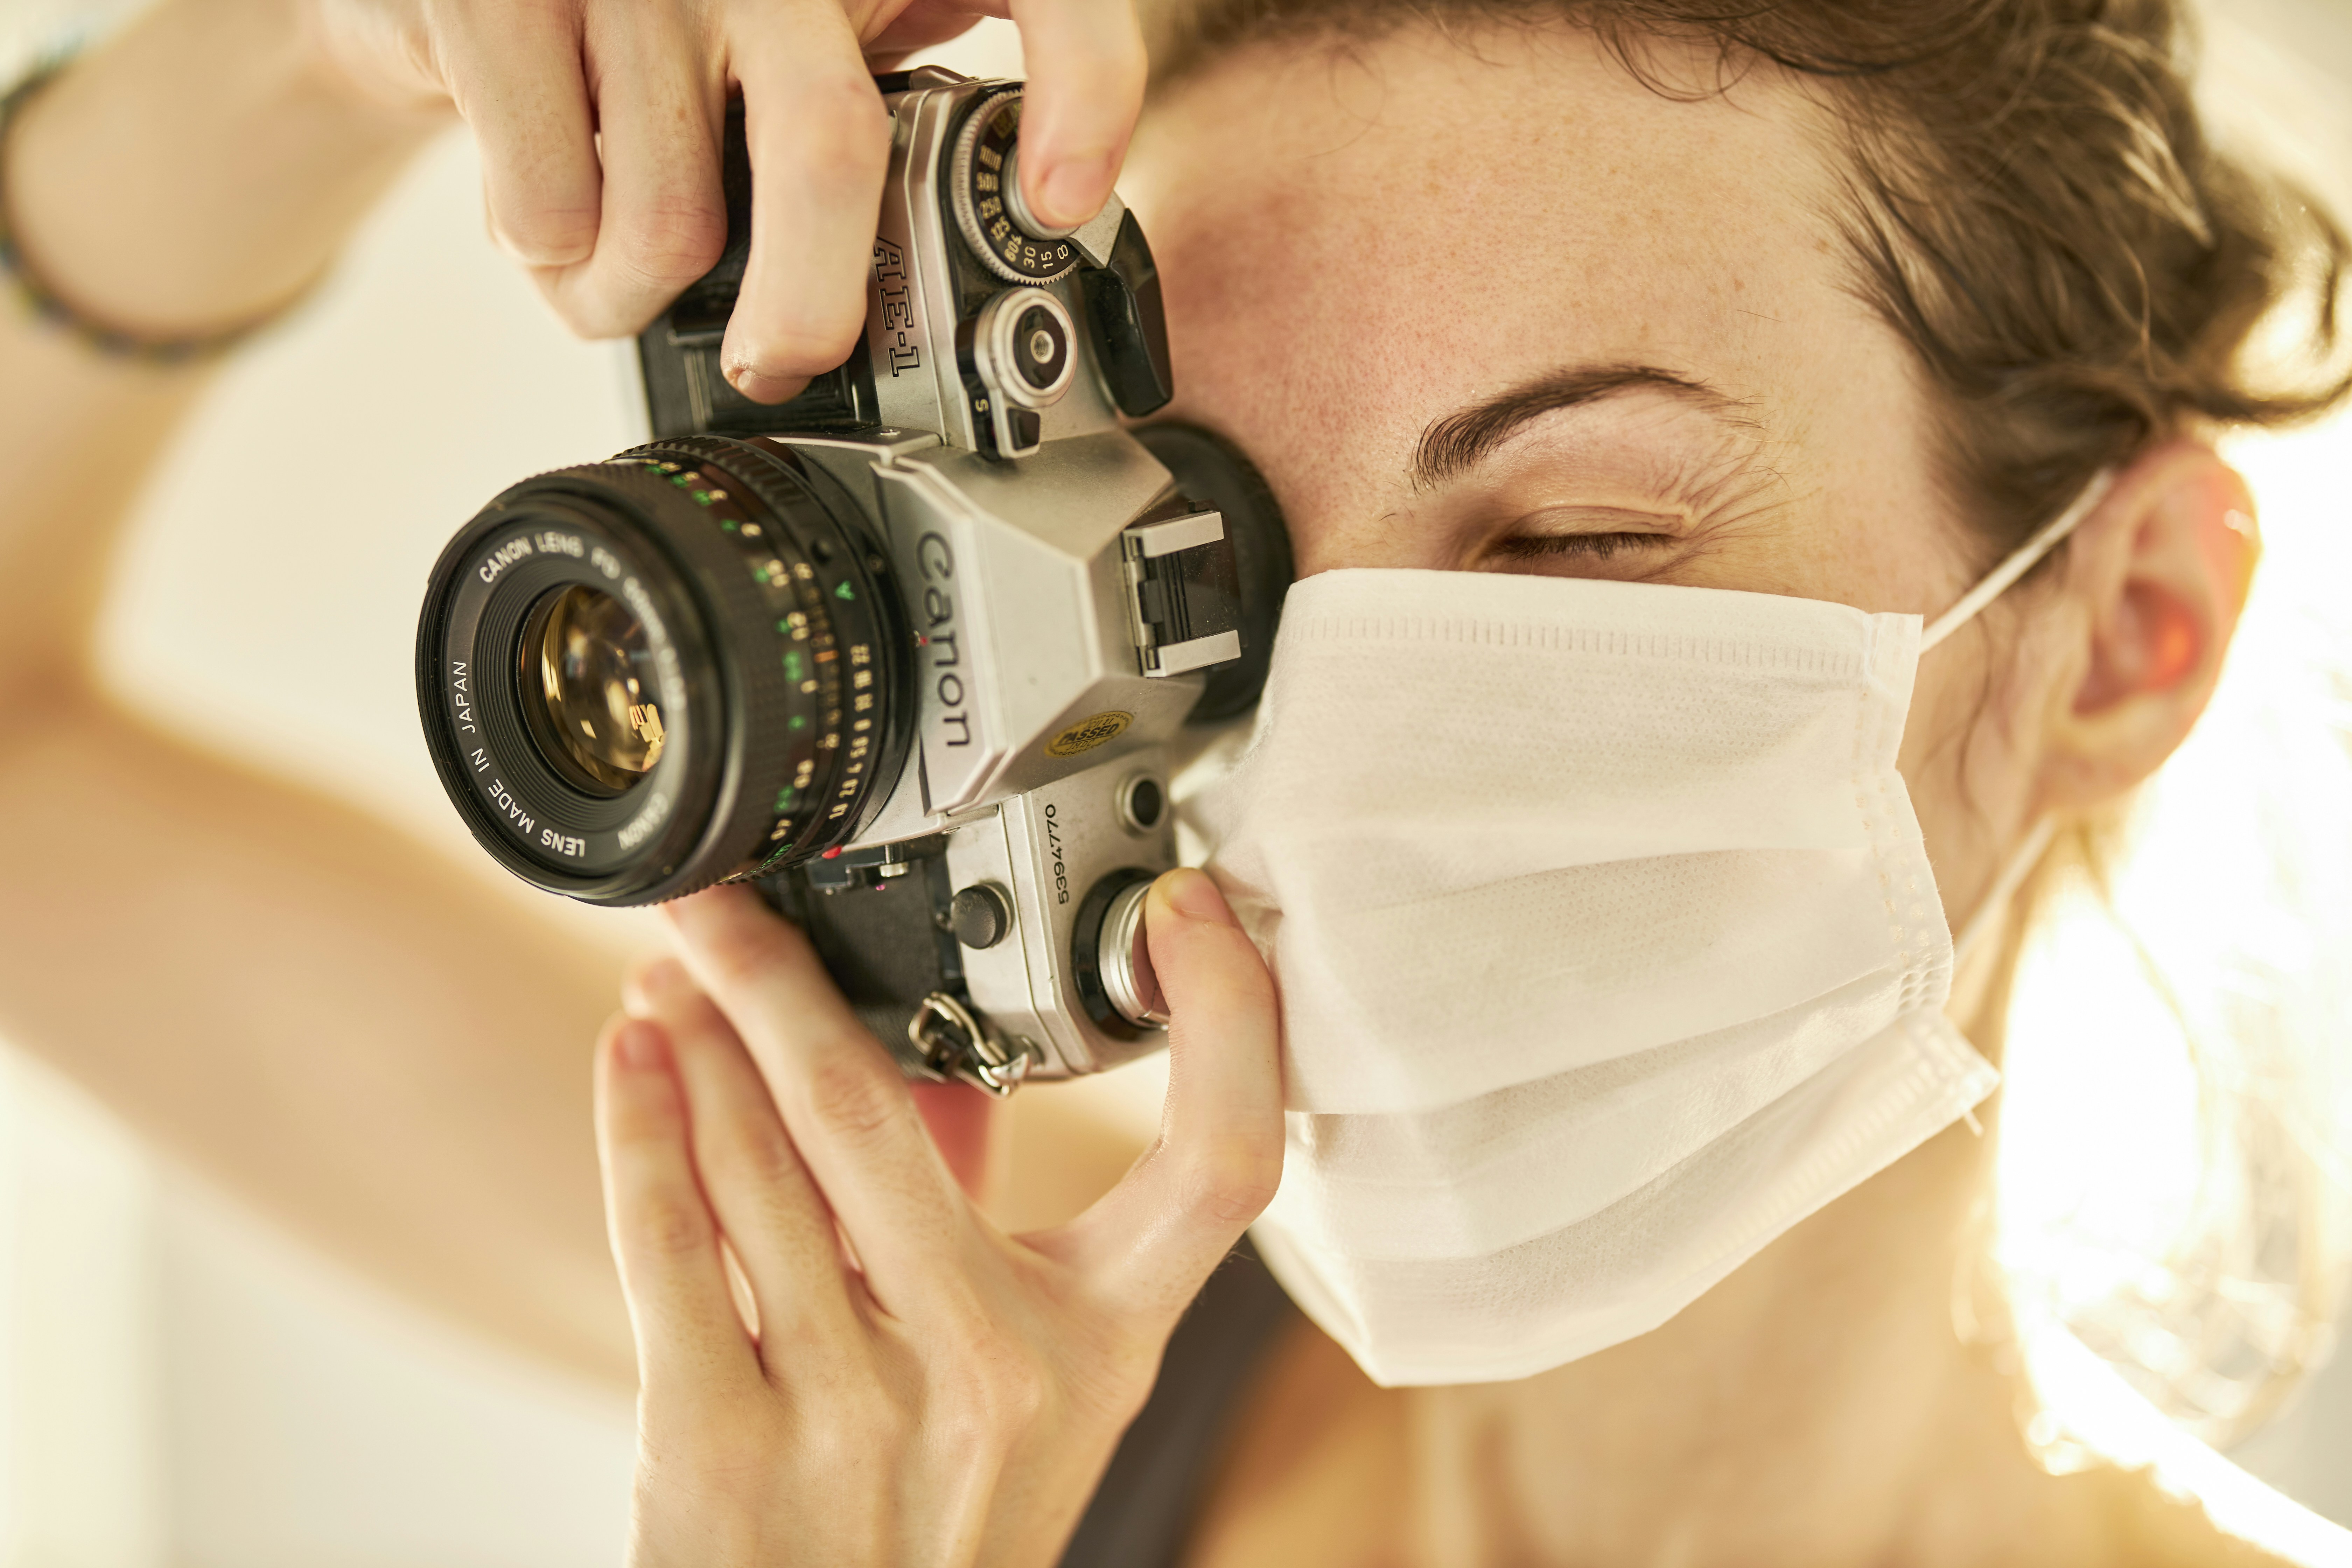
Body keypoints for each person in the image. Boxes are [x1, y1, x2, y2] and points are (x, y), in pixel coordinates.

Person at [0, 5, 2344, 1568]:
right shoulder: (914, 1359)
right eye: (1193, 560)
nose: (1327, 727)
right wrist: (286, 62)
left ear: (2122, 630)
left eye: (1569, 543)